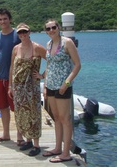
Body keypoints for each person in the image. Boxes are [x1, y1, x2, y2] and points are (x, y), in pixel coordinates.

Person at [42, 19, 81, 163]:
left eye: (53, 27)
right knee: (56, 118)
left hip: (63, 87)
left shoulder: (67, 43)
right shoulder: (49, 44)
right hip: (51, 86)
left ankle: (66, 153)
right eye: (48, 28)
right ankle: (57, 148)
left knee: (65, 119)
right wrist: (45, 85)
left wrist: (67, 83)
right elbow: (50, 65)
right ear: (46, 31)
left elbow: (77, 65)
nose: (51, 30)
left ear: (58, 27)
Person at [8, 23, 46, 156]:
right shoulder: (15, 49)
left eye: (25, 32)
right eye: (20, 33)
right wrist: (10, 86)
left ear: (29, 32)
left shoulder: (37, 48)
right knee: (21, 114)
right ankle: (28, 140)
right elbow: (12, 68)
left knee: (34, 113)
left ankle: (36, 145)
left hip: (32, 88)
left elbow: (52, 61)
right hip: (18, 88)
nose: (22, 35)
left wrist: (42, 75)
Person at [0, 8, 22, 144]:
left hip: (14, 78)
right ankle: (6, 134)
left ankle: (20, 136)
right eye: (0, 19)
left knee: (17, 108)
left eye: (5, 18)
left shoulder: (18, 35)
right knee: (2, 107)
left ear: (10, 19)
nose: (3, 21)